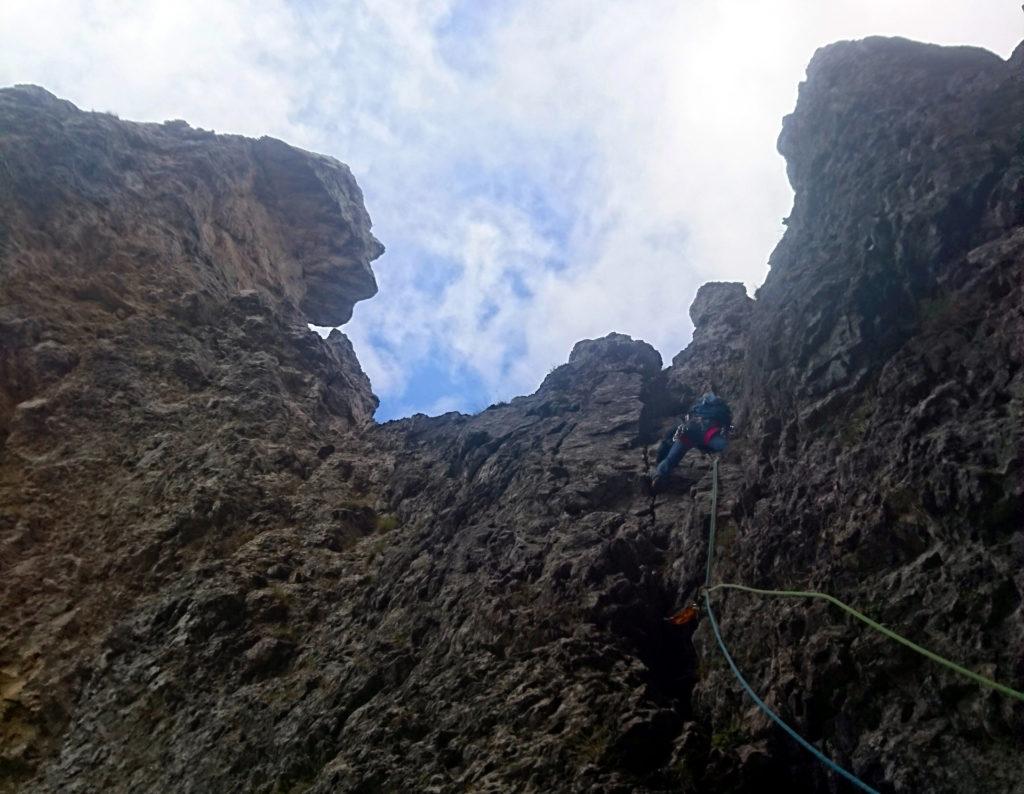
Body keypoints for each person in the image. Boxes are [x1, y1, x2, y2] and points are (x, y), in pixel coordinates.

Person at [649, 392, 732, 491]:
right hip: (707, 434)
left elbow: (670, 437)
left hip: (689, 433)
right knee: (725, 446)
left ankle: (658, 475)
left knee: (671, 459)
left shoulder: (697, 406)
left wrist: (660, 456)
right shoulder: (721, 409)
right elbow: (727, 425)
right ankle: (731, 455)